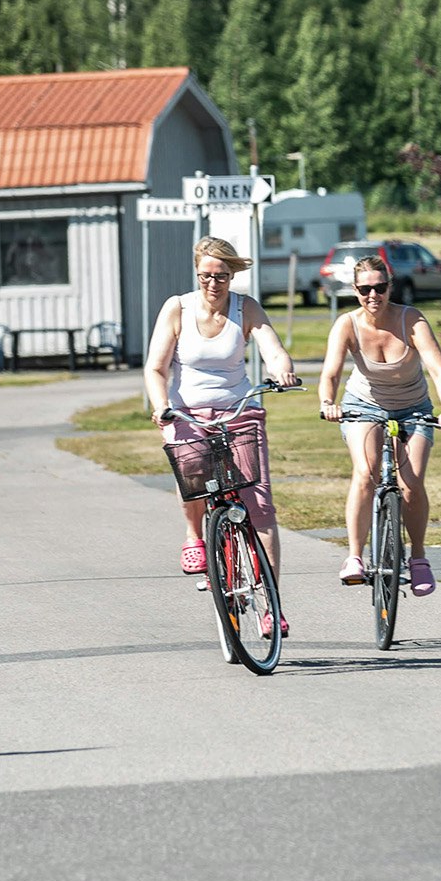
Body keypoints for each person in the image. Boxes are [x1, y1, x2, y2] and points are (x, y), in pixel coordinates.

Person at [143, 236, 300, 607]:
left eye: (222, 276)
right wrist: (161, 404)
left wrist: (282, 371)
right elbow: (155, 367)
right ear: (197, 272)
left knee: (258, 506)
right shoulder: (177, 308)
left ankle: (271, 604)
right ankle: (194, 533)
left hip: (238, 410)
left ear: (232, 275)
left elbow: (273, 350)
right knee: (193, 470)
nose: (213, 285)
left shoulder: (246, 309)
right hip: (186, 411)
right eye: (206, 276)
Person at [317, 252, 441, 597]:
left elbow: (439, 369)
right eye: (365, 289)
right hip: (363, 407)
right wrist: (327, 403)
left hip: (413, 408)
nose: (373, 295)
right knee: (365, 474)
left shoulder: (411, 320)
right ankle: (354, 556)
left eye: (380, 287)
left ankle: (419, 558)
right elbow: (331, 373)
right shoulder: (346, 325)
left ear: (390, 286)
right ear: (354, 290)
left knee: (411, 483)